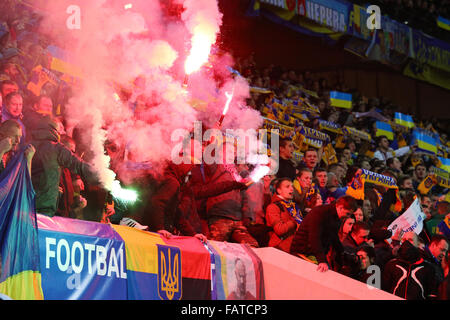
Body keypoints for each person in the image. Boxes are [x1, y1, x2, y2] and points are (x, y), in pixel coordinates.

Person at [30, 116, 102, 217]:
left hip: (26, 204)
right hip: (45, 206)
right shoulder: (56, 148)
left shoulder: (26, 146)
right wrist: (101, 177)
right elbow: (78, 165)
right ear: (54, 130)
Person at [290, 195, 358, 272]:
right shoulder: (320, 213)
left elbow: (334, 238)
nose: (347, 217)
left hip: (314, 253)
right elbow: (314, 238)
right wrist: (322, 260)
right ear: (341, 207)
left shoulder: (337, 218)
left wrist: (343, 253)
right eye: (347, 214)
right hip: (303, 252)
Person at [265, 178, 302, 253]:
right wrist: (294, 221)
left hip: (294, 247)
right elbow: (279, 229)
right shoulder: (273, 207)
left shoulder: (293, 206)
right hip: (279, 249)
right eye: (287, 187)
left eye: (292, 186)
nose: (291, 189)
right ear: (279, 191)